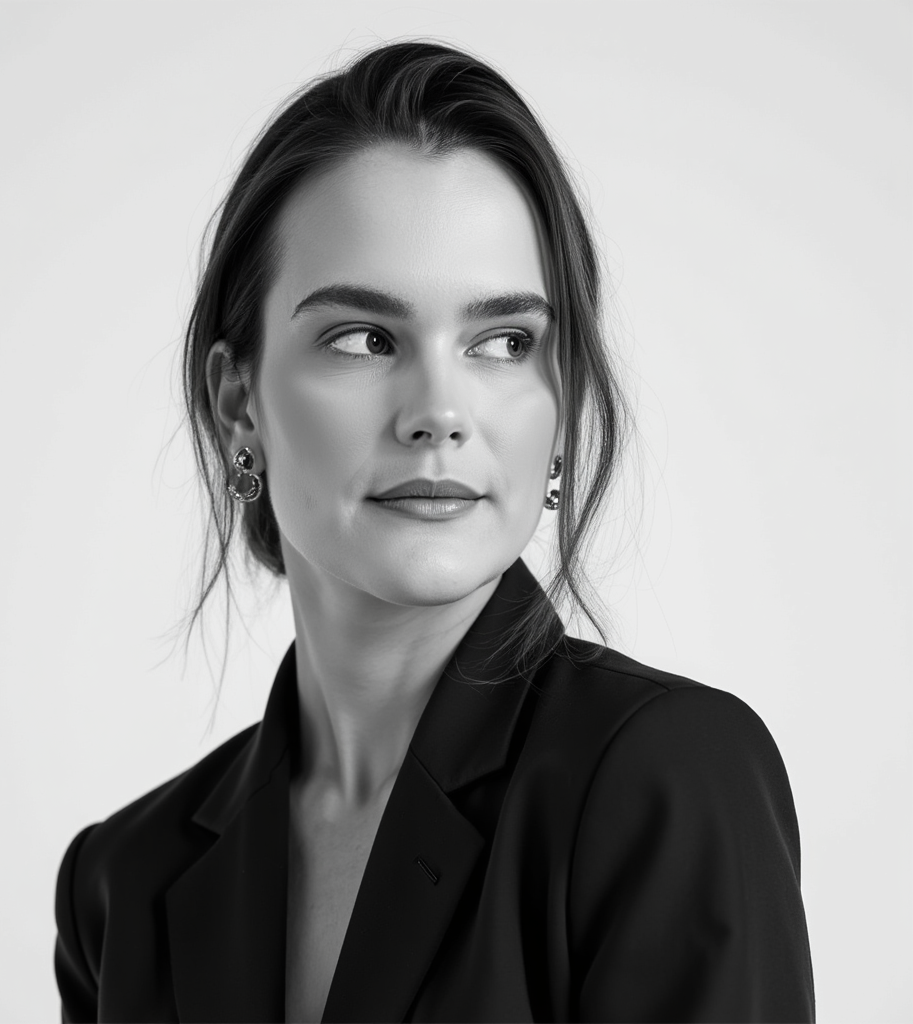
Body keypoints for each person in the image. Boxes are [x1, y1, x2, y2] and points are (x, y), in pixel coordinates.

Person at [53, 40, 815, 1023]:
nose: (440, 413)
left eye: (503, 342)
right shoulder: (121, 883)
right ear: (238, 404)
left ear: (561, 399)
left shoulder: (665, 781)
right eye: (364, 338)